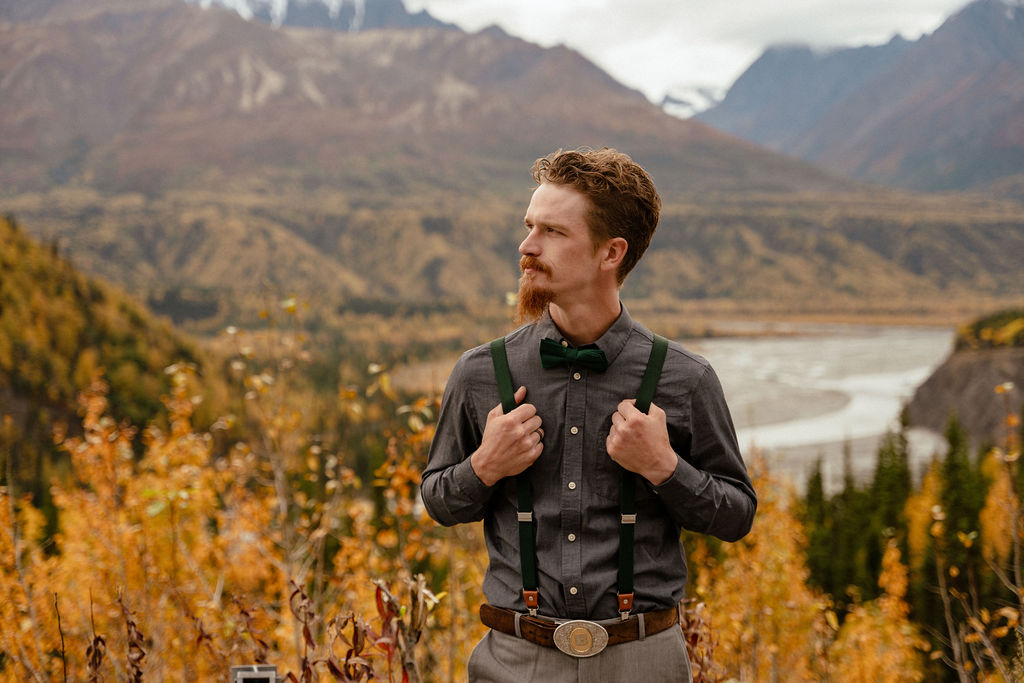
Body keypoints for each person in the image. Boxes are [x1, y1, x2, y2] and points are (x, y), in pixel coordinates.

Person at [420, 147, 756, 682]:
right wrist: (485, 465)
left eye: (553, 232)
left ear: (610, 253)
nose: (527, 247)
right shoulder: (481, 372)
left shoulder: (685, 379)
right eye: (530, 227)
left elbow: (737, 515)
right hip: (514, 661)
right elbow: (437, 499)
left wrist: (664, 468)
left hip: (644, 660)